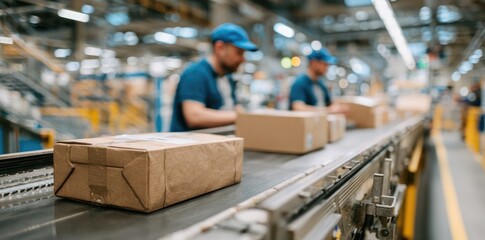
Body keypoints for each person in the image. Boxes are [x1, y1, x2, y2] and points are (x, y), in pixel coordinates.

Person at [170, 23, 258, 132]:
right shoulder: (195, 73)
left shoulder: (228, 77)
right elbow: (194, 116)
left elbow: (230, 108)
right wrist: (240, 116)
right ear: (219, 48)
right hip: (192, 146)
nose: (243, 59)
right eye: (239, 53)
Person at [289, 48, 346, 113]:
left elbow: (331, 102)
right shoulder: (300, 83)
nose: (327, 68)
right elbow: (298, 108)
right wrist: (328, 110)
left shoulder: (321, 83)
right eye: (324, 64)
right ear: (314, 63)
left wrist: (338, 107)